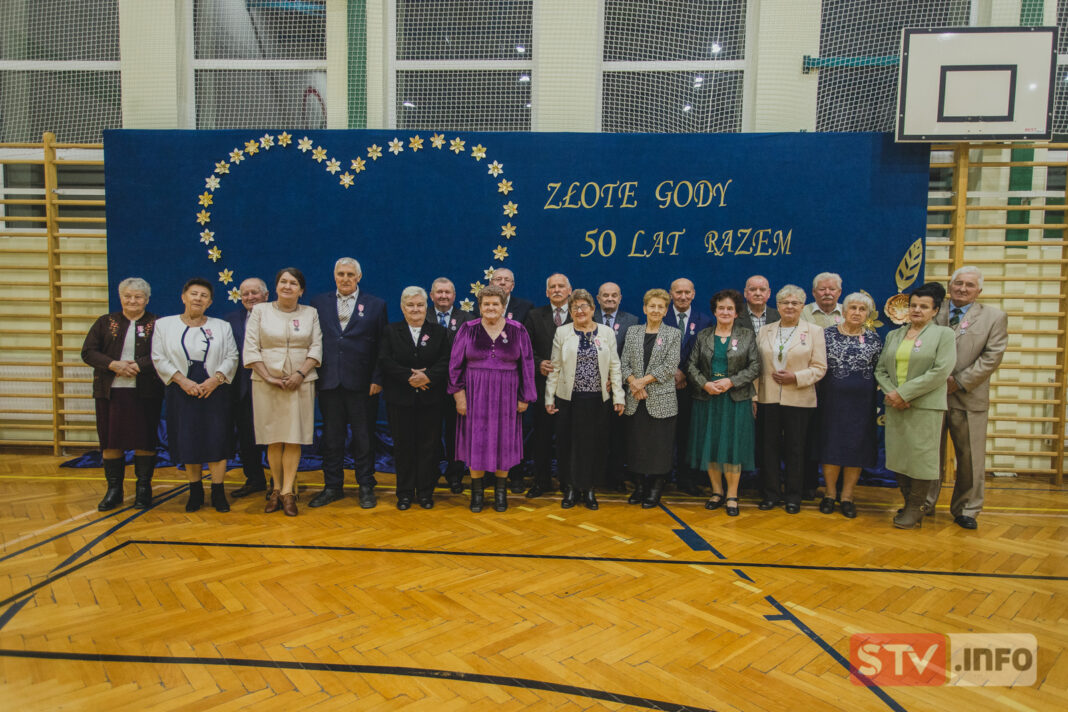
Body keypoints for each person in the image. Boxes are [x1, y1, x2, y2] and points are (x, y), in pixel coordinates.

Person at [926, 266, 1008, 530]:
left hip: (969, 396)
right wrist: (934, 380)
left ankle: (967, 509)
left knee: (970, 457)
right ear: (950, 286)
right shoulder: (932, 310)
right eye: (958, 283)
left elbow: (992, 356)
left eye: (969, 285)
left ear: (979, 290)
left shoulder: (994, 317)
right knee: (928, 453)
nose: (962, 288)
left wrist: (958, 382)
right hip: (930, 395)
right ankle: (924, 502)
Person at [151, 278, 238, 513]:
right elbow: (159, 357)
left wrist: (216, 379)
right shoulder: (164, 325)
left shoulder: (222, 326)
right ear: (184, 297)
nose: (198, 298)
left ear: (210, 302)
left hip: (215, 390)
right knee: (189, 440)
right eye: (194, 294)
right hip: (181, 390)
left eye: (204, 296)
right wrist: (182, 381)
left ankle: (218, 491)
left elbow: (232, 356)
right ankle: (195, 491)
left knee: (217, 439)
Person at [448, 285, 536, 512]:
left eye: (495, 303)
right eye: (486, 304)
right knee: (475, 442)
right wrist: (459, 397)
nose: (490, 307)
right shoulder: (468, 329)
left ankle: (500, 492)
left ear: (503, 306)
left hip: (507, 396)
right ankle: (477, 493)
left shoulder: (518, 330)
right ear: (479, 307)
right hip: (474, 395)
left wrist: (525, 397)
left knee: (503, 443)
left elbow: (527, 365)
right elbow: (455, 366)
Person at [875, 282, 956, 529]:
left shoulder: (944, 335)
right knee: (900, 456)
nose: (917, 310)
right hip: (896, 406)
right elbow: (880, 370)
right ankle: (909, 502)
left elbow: (941, 371)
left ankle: (917, 507)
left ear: (935, 311)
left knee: (921, 458)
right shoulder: (894, 335)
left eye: (924, 306)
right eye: (913, 305)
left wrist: (904, 394)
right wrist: (893, 394)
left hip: (924, 406)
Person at [244, 267, 322, 516]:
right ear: (276, 286)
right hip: (266, 383)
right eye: (283, 282)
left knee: (293, 437)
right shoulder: (260, 311)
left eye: (293, 283)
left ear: (301, 290)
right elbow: (251, 348)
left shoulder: (311, 313)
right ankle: (276, 489)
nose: (288, 286)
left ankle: (288, 492)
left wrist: (300, 374)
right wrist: (268, 377)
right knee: (274, 438)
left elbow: (316, 347)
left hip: (300, 383)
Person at [310, 257, 387, 509]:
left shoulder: (376, 305)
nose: (345, 278)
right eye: (341, 274)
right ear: (335, 276)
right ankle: (333, 487)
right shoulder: (318, 303)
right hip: (329, 382)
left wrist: (377, 378)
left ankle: (365, 486)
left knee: (364, 438)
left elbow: (382, 345)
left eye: (350, 274)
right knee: (332, 439)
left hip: (363, 385)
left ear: (358, 277)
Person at [81, 277, 164, 511]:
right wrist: (113, 364)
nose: (132, 300)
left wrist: (139, 366)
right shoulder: (105, 322)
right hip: (109, 393)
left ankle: (143, 489)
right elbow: (88, 352)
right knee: (110, 440)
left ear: (147, 299)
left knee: (145, 439)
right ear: (120, 298)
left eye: (138, 297)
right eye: (128, 296)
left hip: (145, 392)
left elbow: (165, 353)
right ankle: (114, 490)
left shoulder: (158, 324)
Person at [544, 289, 626, 509]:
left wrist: (618, 396)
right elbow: (555, 367)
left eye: (583, 306)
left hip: (598, 400)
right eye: (575, 307)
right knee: (568, 444)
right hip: (568, 400)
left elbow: (615, 366)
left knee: (594, 445)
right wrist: (549, 397)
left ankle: (589, 489)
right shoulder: (562, 332)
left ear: (592, 309)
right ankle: (570, 488)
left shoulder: (606, 332)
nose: (579, 311)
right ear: (570, 312)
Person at [686, 289, 760, 517]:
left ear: (737, 313)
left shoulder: (747, 335)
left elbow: (755, 367)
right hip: (708, 399)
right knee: (710, 445)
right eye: (721, 308)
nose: (725, 312)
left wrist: (731, 382)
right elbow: (691, 365)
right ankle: (717, 492)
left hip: (735, 400)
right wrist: (705, 384)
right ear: (715, 311)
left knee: (732, 447)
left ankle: (732, 495)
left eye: (730, 308)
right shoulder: (703, 335)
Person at [755, 284, 827, 514]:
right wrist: (754, 397)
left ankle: (793, 496)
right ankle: (771, 494)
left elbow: (820, 367)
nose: (789, 306)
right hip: (767, 398)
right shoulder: (764, 331)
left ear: (802, 306)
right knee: (769, 448)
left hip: (799, 398)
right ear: (777, 306)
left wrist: (795, 377)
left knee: (796, 449)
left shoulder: (814, 331)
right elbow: (756, 366)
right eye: (785, 303)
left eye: (795, 303)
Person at [379, 287, 451, 510]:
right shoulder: (391, 331)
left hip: (431, 400)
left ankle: (426, 493)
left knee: (429, 447)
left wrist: (428, 377)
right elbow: (385, 360)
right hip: (400, 399)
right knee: (403, 447)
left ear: (426, 307)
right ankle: (405, 493)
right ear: (402, 308)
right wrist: (409, 377)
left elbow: (446, 360)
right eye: (410, 305)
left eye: (420, 305)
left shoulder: (439, 332)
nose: (415, 309)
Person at [817, 292, 882, 519]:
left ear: (868, 314)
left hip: (862, 405)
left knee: (856, 448)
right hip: (831, 402)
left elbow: (880, 370)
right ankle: (829, 494)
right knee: (831, 446)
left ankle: (847, 496)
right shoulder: (826, 335)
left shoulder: (874, 339)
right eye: (853, 308)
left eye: (862, 309)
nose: (857, 312)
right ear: (844, 311)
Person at [620, 289, 682, 508]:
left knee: (659, 448)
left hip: (661, 401)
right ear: (645, 308)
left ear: (666, 311)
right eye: (652, 306)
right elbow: (623, 363)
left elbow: (670, 366)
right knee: (636, 446)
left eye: (660, 307)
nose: (656, 310)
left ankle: (655, 489)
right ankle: (639, 487)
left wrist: (642, 382)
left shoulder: (673, 334)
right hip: (636, 399)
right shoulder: (633, 332)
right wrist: (633, 383)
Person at [522, 273, 573, 498]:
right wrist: (538, 363)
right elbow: (525, 349)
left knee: (567, 438)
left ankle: (567, 482)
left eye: (561, 286)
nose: (557, 290)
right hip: (542, 387)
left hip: (571, 389)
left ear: (569, 291)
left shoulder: (579, 314)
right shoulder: (534, 316)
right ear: (546, 292)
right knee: (541, 437)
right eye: (552, 287)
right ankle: (541, 481)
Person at [663, 277, 713, 496]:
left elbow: (706, 355)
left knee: (688, 435)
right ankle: (663, 477)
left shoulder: (705, 321)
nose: (682, 296)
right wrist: (673, 371)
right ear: (670, 294)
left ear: (693, 294)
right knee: (664, 435)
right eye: (678, 292)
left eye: (687, 292)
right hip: (663, 385)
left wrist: (684, 372)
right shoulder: (660, 316)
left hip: (691, 388)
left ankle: (686, 479)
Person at [429, 277, 475, 493]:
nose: (443, 296)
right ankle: (430, 473)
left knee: (455, 434)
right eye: (439, 292)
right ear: (431, 295)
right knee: (430, 433)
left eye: (447, 292)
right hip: (430, 386)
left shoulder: (468, 319)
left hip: (458, 387)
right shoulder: (422, 316)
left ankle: (455, 475)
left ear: (454, 296)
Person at [224, 277, 269, 499]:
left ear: (266, 296)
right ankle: (255, 479)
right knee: (247, 437)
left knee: (275, 437)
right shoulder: (230, 320)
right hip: (242, 389)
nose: (250, 297)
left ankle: (280, 482)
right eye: (245, 294)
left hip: (272, 386)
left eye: (255, 292)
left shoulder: (278, 316)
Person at [593, 281, 639, 491]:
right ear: (598, 298)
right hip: (595, 387)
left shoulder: (632, 321)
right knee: (596, 434)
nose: (610, 299)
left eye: (614, 295)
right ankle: (595, 476)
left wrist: (617, 379)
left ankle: (617, 478)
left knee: (618, 435)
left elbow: (632, 355)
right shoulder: (588, 318)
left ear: (620, 298)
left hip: (621, 387)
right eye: (605, 295)